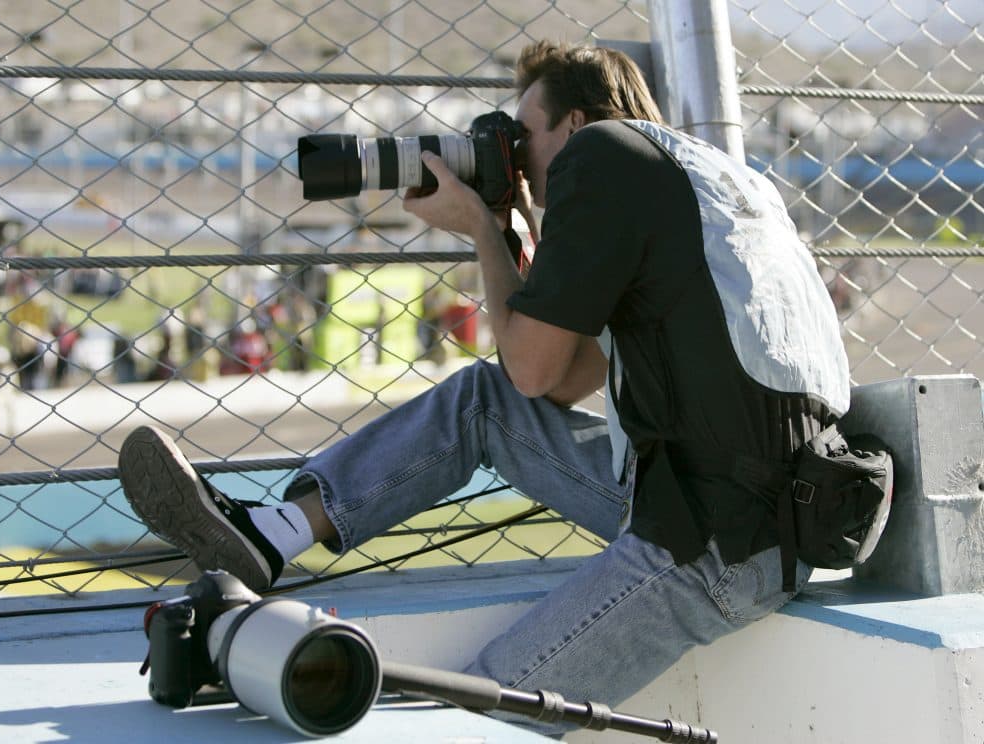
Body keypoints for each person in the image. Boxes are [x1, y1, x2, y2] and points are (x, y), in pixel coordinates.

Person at [118, 40, 849, 735]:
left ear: (575, 123)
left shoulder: (603, 156)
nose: (519, 167)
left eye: (521, 141)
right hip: (740, 503)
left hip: (715, 543)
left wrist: (479, 226)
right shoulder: (697, 178)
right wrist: (507, 224)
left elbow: (531, 369)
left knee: (476, 714)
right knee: (481, 403)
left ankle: (279, 538)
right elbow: (555, 385)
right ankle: (270, 534)